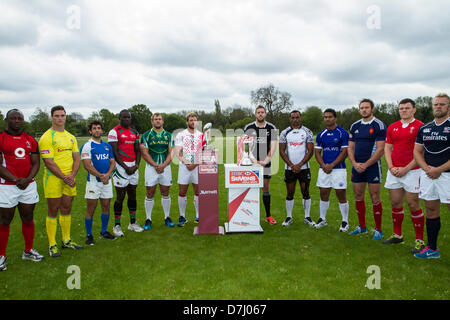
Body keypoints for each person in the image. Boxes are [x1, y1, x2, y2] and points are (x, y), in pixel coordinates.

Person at [0, 109, 43, 271]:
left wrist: (26, 179)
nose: (17, 121)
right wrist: (14, 179)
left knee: (28, 217)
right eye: (13, 118)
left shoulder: (30, 140)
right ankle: (2, 255)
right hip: (6, 186)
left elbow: (36, 163)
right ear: (7, 120)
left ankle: (28, 251)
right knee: (5, 220)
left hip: (28, 185)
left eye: (20, 118)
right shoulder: (1, 138)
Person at [39, 105, 82, 257]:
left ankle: (66, 240)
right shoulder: (47, 137)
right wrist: (65, 177)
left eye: (62, 115)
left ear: (66, 117)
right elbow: (49, 162)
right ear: (52, 117)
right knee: (53, 209)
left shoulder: (70, 136)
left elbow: (77, 157)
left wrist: (72, 174)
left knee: (66, 208)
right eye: (57, 115)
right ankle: (52, 245)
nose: (60, 118)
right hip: (54, 179)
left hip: (69, 178)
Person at [383, 98, 425, 253]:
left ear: (414, 110)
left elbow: (421, 152)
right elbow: (387, 148)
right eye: (401, 108)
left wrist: (406, 168)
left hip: (413, 171)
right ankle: (397, 235)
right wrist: (391, 166)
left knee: (413, 204)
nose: (404, 111)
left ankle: (419, 240)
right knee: (395, 203)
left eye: (407, 108)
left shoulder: (420, 127)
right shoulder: (393, 127)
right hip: (394, 171)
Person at [413, 93, 450, 259]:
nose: (438, 107)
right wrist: (427, 169)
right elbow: (417, 151)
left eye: (442, 104)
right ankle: (433, 249)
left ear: (448, 107)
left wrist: (439, 169)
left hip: (447, 175)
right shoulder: (425, 128)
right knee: (431, 209)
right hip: (428, 174)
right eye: (436, 104)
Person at [348, 99, 386, 240]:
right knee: (358, 195)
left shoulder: (379, 125)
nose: (364, 110)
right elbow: (350, 147)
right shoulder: (355, 125)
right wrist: (354, 163)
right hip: (356, 166)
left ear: (372, 109)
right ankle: (362, 227)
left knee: (375, 196)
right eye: (362, 108)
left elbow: (381, 149)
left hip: (373, 167)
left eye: (366, 107)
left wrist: (366, 164)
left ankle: (378, 229)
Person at [80, 120, 117, 245]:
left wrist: (107, 175)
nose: (97, 130)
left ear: (102, 130)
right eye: (94, 128)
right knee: (91, 207)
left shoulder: (107, 146)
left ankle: (104, 231)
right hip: (93, 182)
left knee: (106, 206)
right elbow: (87, 165)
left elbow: (112, 162)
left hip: (107, 181)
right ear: (90, 131)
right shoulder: (87, 145)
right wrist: (100, 176)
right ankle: (89, 235)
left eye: (99, 128)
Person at [314, 108, 350, 231]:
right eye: (325, 117)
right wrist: (324, 165)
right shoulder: (321, 134)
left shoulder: (342, 133)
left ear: (335, 118)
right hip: (324, 169)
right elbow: (317, 152)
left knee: (340, 193)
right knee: (323, 192)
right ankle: (322, 219)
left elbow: (345, 152)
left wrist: (332, 165)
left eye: (330, 117)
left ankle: (345, 221)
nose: (327, 119)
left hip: (338, 169)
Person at [108, 109, 142, 236]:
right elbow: (114, 151)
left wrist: (136, 165)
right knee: (120, 196)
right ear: (120, 118)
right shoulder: (114, 131)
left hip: (133, 165)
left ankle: (132, 223)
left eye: (129, 117)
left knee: (132, 194)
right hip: (120, 167)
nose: (127, 119)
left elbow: (138, 150)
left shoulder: (135, 132)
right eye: (124, 117)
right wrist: (125, 166)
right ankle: (117, 225)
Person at [244, 106, 278, 225]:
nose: (260, 114)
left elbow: (273, 146)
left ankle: (268, 216)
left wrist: (266, 160)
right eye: (258, 112)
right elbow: (246, 146)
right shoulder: (249, 127)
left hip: (266, 162)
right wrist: (253, 160)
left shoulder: (271, 127)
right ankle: (249, 215)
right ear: (255, 114)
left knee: (265, 187)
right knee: (250, 187)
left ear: (265, 114)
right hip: (250, 162)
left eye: (262, 112)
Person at [279, 110, 314, 227]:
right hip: (289, 169)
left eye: (297, 117)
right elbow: (282, 151)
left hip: (304, 168)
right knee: (290, 193)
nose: (295, 119)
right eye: (293, 117)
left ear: (301, 118)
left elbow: (310, 151)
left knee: (305, 192)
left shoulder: (307, 131)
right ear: (290, 119)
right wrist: (291, 165)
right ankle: (289, 217)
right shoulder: (285, 132)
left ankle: (307, 217)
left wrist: (300, 164)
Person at [140, 113, 175, 230]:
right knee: (150, 192)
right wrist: (155, 165)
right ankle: (148, 219)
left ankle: (167, 217)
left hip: (166, 168)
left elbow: (171, 152)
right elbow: (144, 153)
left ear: (163, 121)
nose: (158, 121)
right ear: (152, 121)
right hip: (151, 168)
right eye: (156, 119)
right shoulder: (146, 135)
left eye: (160, 119)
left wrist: (163, 165)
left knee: (166, 191)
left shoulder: (169, 135)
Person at [174, 113, 203, 227]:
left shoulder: (201, 135)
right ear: (187, 122)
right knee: (182, 192)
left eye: (195, 120)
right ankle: (182, 216)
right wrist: (187, 163)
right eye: (191, 120)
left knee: (198, 191)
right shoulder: (181, 134)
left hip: (197, 167)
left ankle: (199, 216)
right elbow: (178, 151)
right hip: (184, 167)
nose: (193, 122)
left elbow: (203, 152)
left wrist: (194, 164)